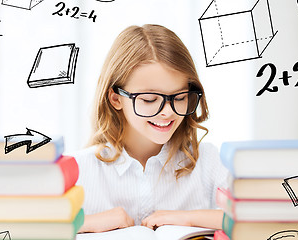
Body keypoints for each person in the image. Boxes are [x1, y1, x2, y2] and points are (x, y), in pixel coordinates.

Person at [75, 24, 229, 233]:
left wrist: (189, 219)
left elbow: (258, 219)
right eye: (149, 99)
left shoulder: (208, 161)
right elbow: (24, 229)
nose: (167, 112)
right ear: (116, 98)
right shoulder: (80, 170)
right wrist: (85, 224)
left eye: (180, 97)